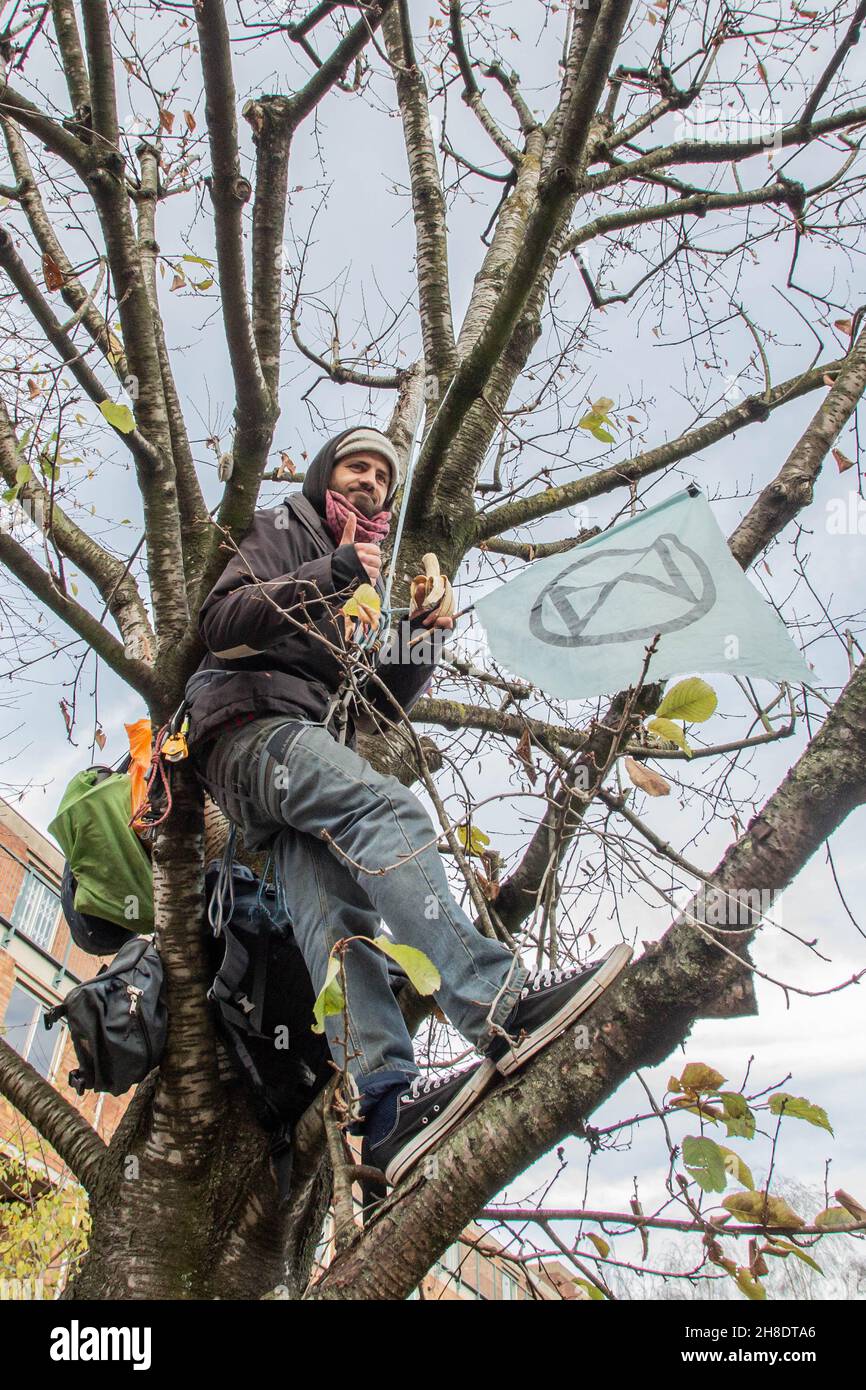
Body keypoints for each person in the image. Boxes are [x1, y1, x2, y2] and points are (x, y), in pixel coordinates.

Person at [185, 426, 631, 1186]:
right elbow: (220, 623)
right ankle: (496, 1002)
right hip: (248, 731)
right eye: (356, 467)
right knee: (388, 812)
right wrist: (329, 571)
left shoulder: (365, 582)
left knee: (337, 926)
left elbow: (374, 706)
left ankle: (385, 1107)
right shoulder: (285, 530)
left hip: (297, 752)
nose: (369, 482)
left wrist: (423, 637)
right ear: (328, 472)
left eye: (382, 477)